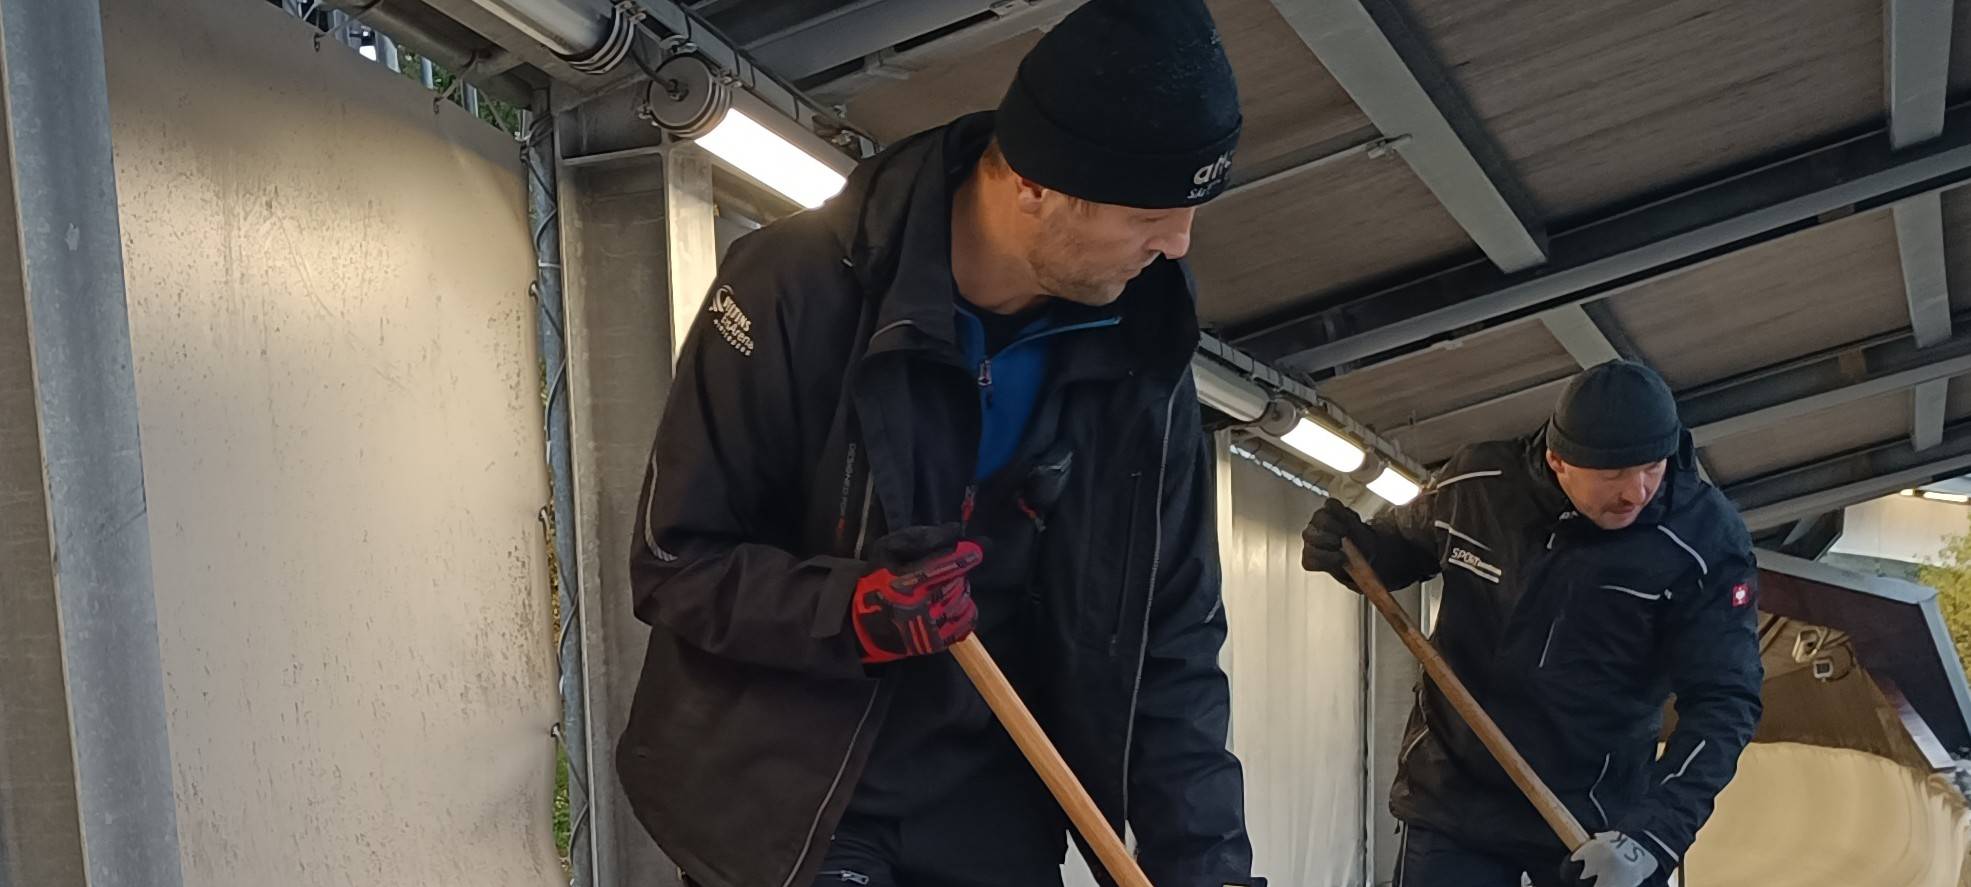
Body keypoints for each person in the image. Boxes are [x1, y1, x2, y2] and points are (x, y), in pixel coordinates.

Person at [614, 2, 1263, 885]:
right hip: (797, 796)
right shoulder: (793, 287)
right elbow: (676, 563)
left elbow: (1171, 638)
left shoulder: (1144, 357)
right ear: (1033, 185)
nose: (1178, 242)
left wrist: (1207, 870)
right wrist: (851, 610)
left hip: (991, 802)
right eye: (1149, 209)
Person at [1302, 360, 1763, 887]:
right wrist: (1351, 549)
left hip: (1593, 823)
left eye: (1652, 468)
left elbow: (1725, 703)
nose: (1636, 492)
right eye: (1613, 474)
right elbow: (1397, 550)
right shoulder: (1477, 486)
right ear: (1558, 460)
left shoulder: (1704, 543)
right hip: (1454, 800)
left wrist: (1652, 837)